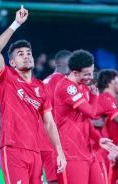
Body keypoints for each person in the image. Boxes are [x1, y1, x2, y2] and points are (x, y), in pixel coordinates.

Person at [0, 6, 66, 184]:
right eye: (21, 54)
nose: (27, 56)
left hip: (35, 151)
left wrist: (60, 152)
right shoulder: (7, 78)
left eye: (29, 53)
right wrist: (16, 23)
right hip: (13, 149)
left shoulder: (41, 88)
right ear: (13, 62)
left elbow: (49, 123)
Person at [54, 49, 118, 184]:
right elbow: (91, 113)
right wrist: (95, 96)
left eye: (92, 72)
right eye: (87, 74)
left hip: (87, 152)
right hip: (71, 154)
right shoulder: (67, 88)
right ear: (75, 73)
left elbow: (84, 120)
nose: (91, 77)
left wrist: (98, 139)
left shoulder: (82, 87)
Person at [41, 50, 72, 184]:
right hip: (60, 140)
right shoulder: (63, 82)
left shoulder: (43, 82)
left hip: (44, 139)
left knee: (52, 179)